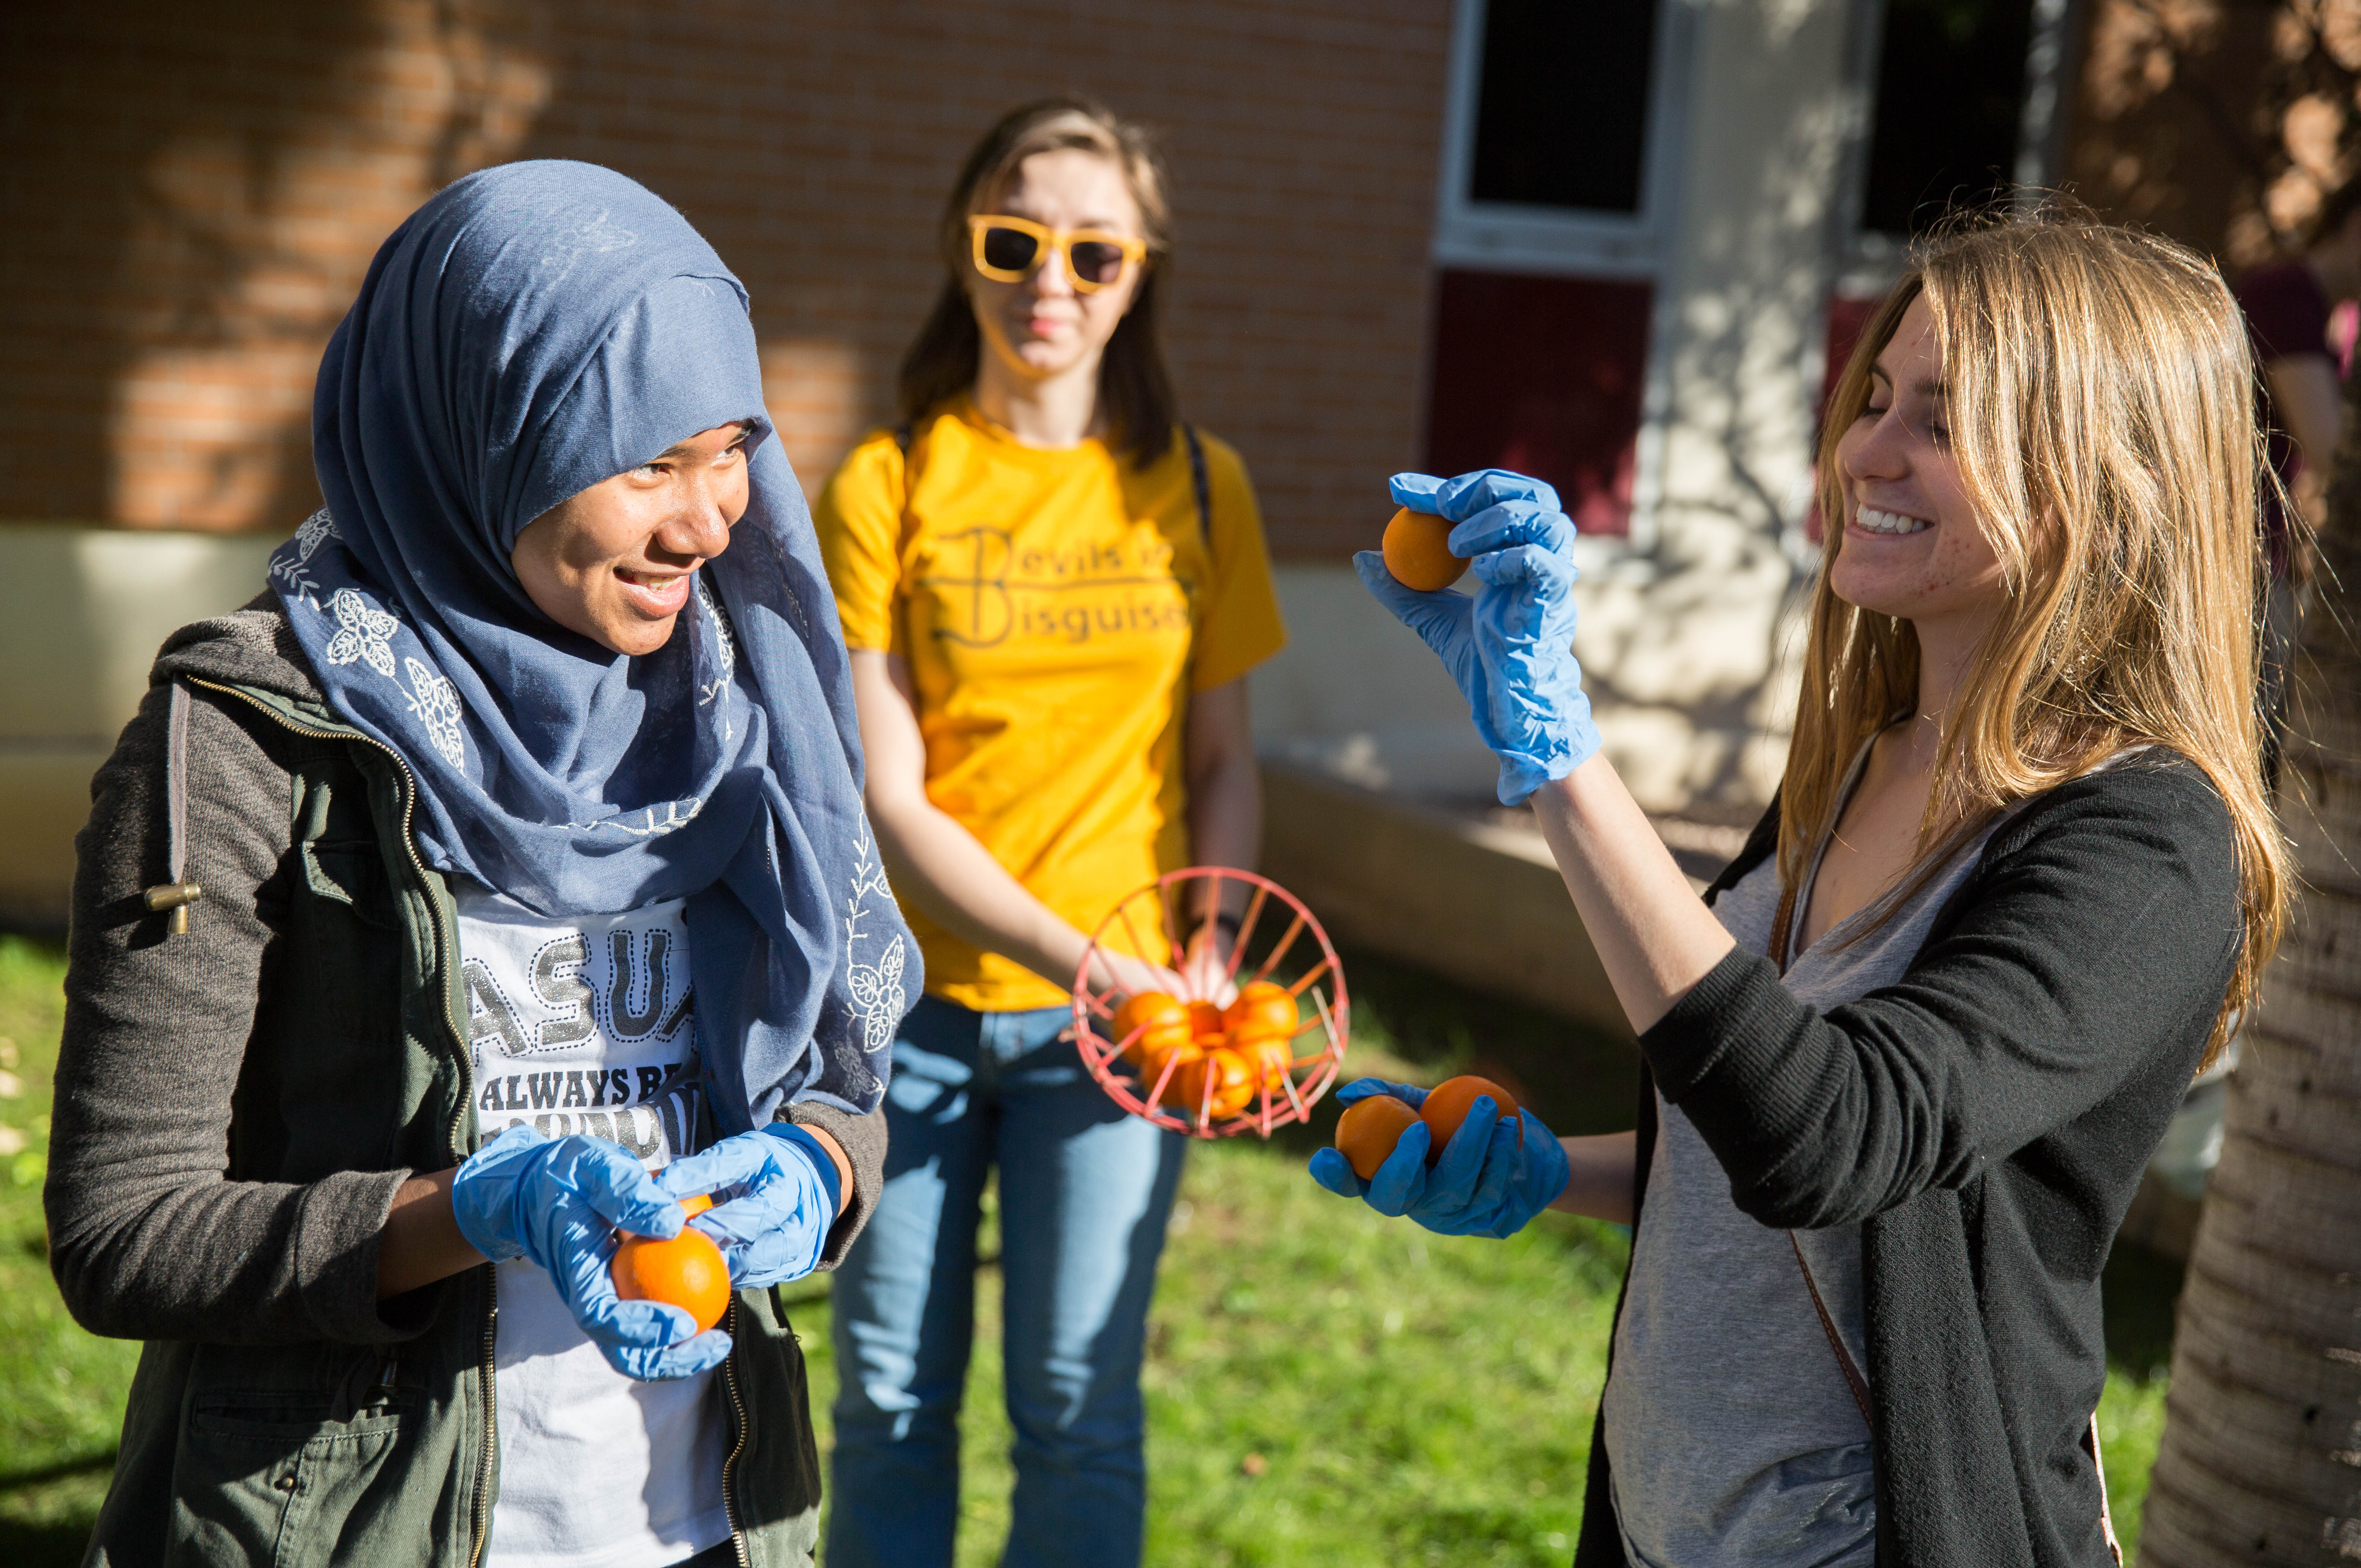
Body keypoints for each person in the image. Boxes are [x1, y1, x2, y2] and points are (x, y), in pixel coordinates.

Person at [1313, 205, 2286, 1566]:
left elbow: (1837, 1135)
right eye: (1877, 396)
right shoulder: (1859, 761)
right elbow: (1745, 1127)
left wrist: (1560, 762)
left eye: (1943, 422)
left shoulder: (2144, 848)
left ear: (2103, 482)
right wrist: (1555, 1173)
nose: (1864, 453)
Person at [45, 160, 917, 1568]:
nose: (708, 523)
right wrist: (459, 1215)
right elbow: (124, 1228)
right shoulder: (246, 735)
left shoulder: (742, 711)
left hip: (711, 1526)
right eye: (647, 461)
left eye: (730, 448)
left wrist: (823, 1167)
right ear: (483, 432)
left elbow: (831, 1072)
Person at [812, 98, 1286, 1567]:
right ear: (963, 250)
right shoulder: (885, 484)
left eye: (1096, 254)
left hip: (1130, 1035)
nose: (1051, 284)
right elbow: (891, 801)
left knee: (1081, 1404)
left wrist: (1202, 954)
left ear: (1141, 273)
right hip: (915, 1020)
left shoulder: (1201, 486)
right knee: (890, 1398)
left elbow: (1224, 764)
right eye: (1016, 243)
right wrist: (1104, 962)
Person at [2232, 183, 2357, 772]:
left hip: (2269, 550)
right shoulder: (2288, 297)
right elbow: (2328, 444)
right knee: (2251, 745)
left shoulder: (2332, 316)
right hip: (2237, 556)